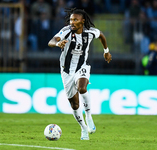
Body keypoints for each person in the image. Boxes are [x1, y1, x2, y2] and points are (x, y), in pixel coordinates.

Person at [48, 8, 112, 140]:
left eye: (75, 20)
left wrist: (106, 51)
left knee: (82, 88)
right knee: (75, 105)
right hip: (66, 70)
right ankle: (83, 128)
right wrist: (58, 43)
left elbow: (101, 35)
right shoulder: (66, 31)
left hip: (82, 66)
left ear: (82, 21)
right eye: (71, 19)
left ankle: (89, 116)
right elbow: (51, 41)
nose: (72, 22)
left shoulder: (90, 32)